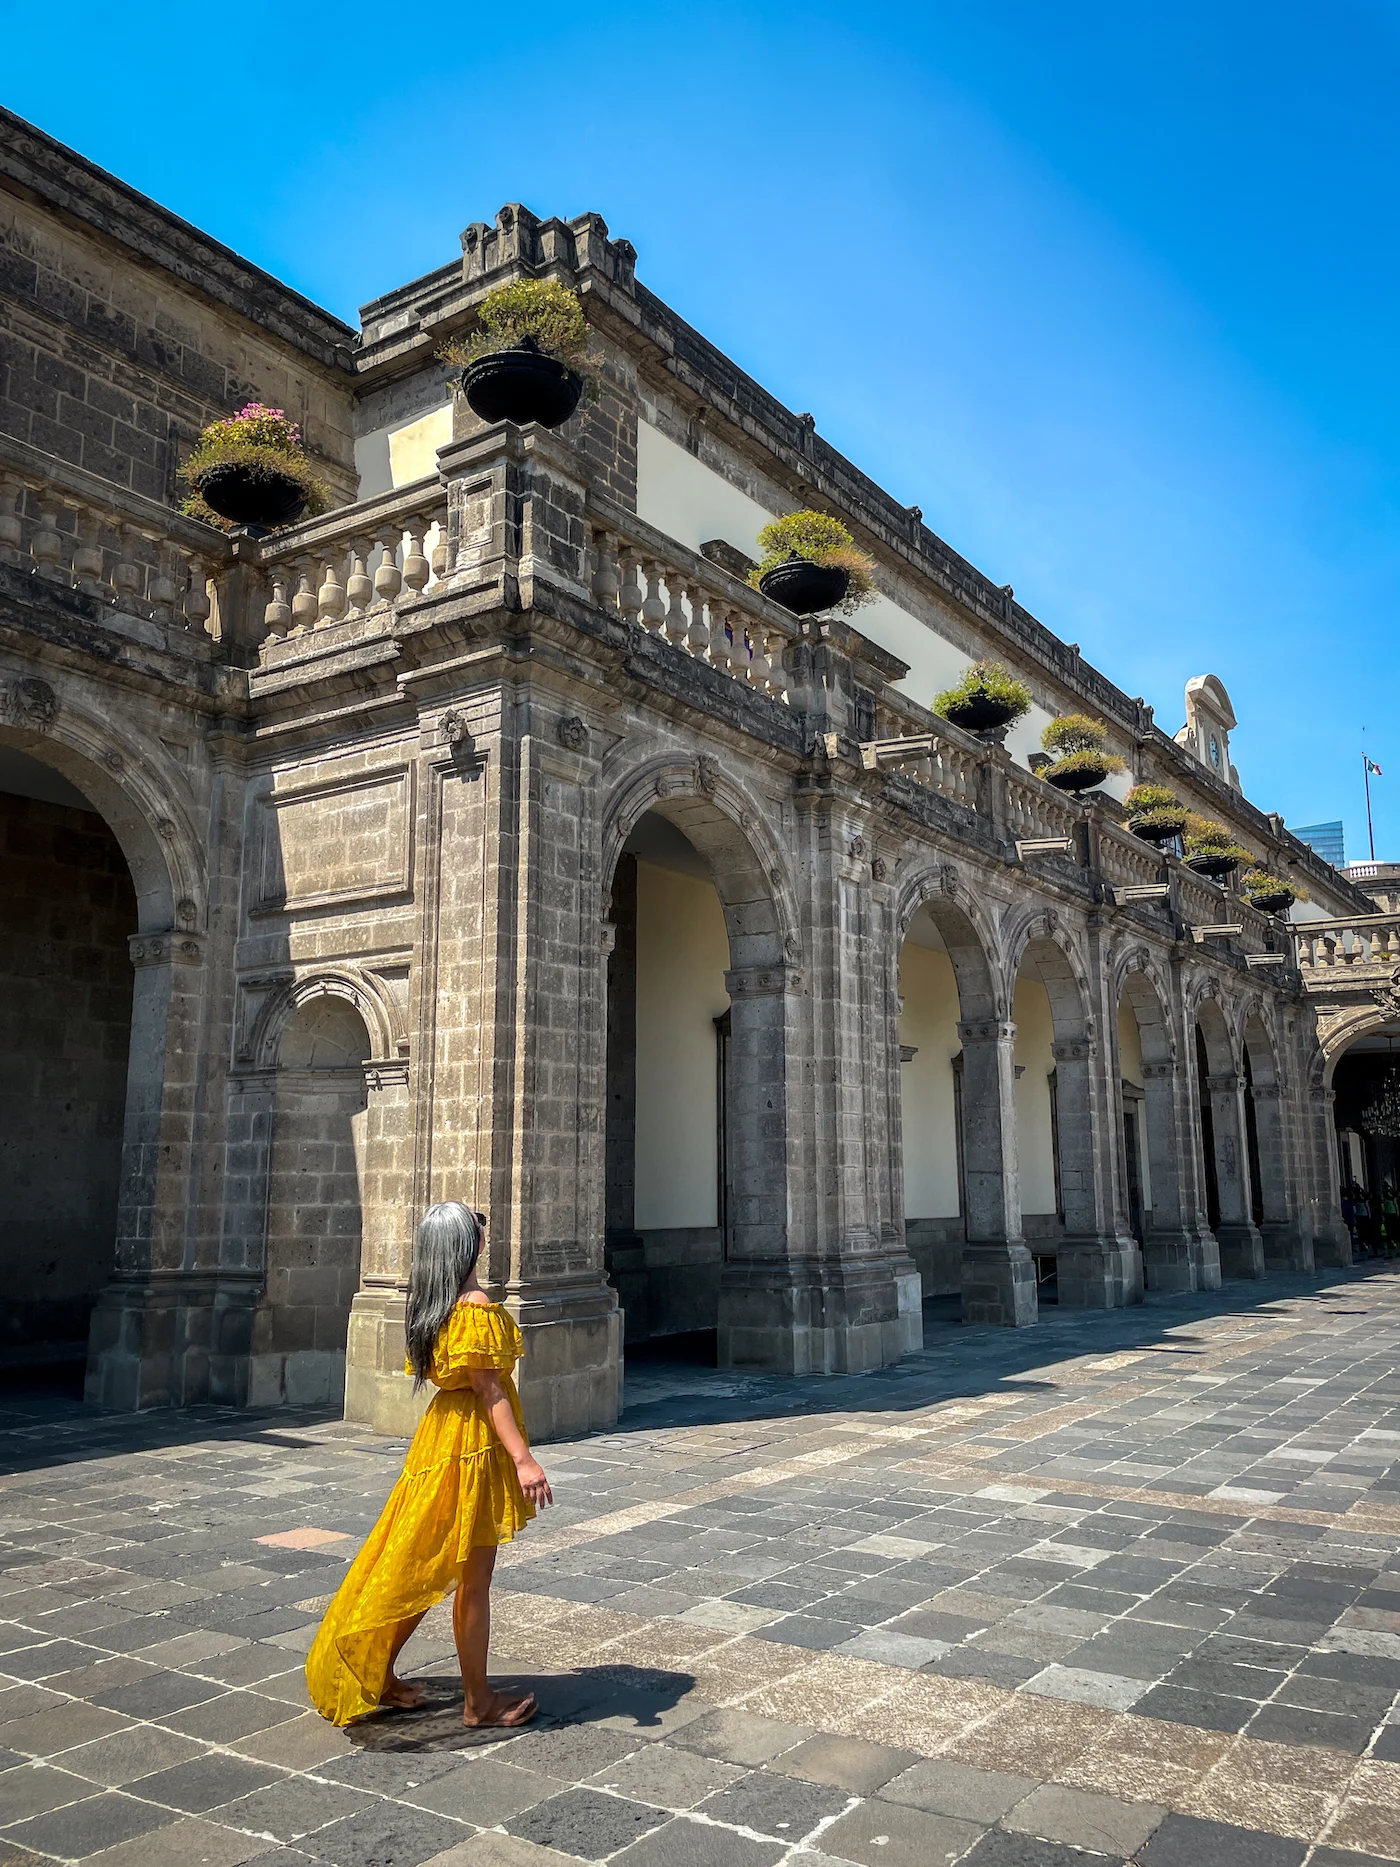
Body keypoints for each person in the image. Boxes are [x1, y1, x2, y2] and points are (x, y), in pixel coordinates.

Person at [306, 1202, 552, 1728]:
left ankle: (379, 1671)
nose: (485, 1231)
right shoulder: (476, 1308)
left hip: (438, 1442)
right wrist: (525, 1460)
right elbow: (490, 1393)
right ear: (468, 1245)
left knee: (418, 1560)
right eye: (478, 1225)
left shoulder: (433, 1306)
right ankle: (478, 1701)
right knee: (472, 1577)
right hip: (472, 1445)